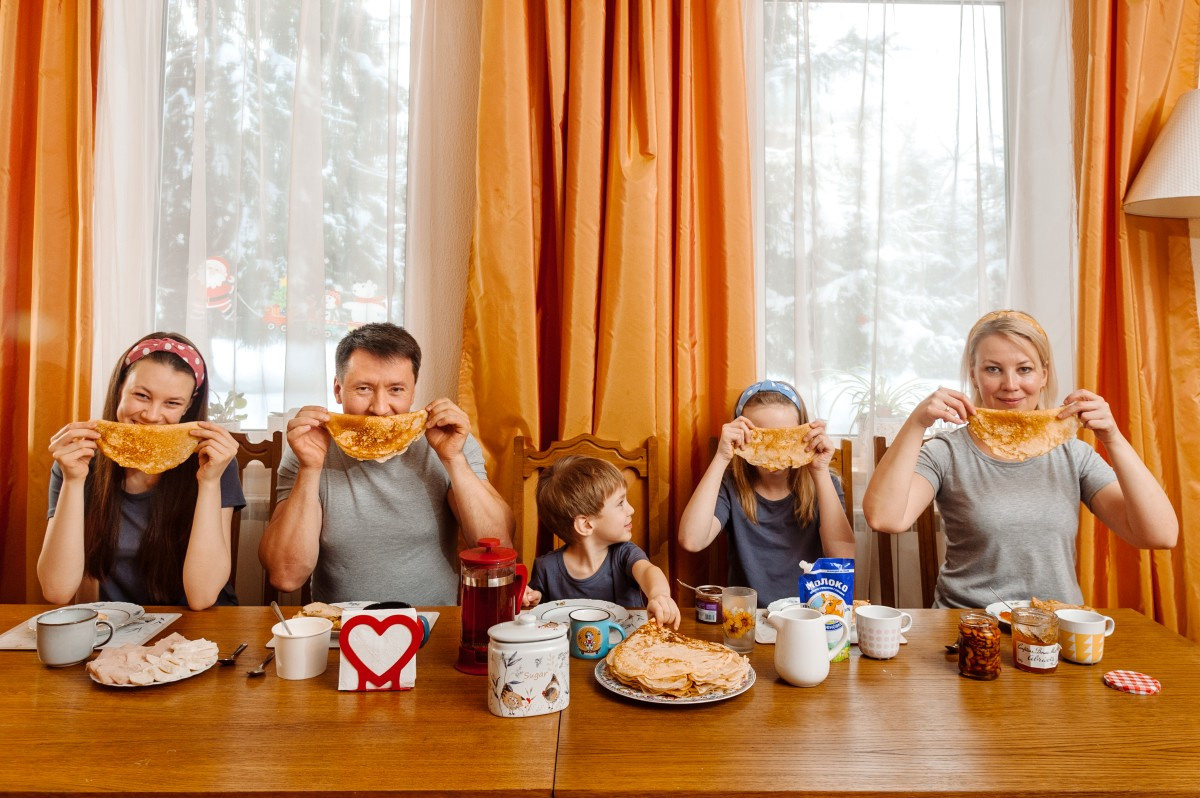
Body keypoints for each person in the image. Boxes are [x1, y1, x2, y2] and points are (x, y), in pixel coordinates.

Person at [862, 310, 1178, 609]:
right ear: (974, 375)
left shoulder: (1073, 453)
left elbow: (1160, 535)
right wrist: (917, 422)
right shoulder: (946, 451)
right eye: (993, 369)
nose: (1010, 384)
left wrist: (1113, 437)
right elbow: (885, 518)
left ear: (1044, 375)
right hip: (968, 627)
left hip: (1055, 629)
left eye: (1024, 369)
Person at [259, 323, 513, 604]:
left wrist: (453, 459)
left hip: (433, 627)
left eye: (396, 389)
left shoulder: (449, 442)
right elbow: (285, 576)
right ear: (338, 389)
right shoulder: (308, 446)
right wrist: (310, 468)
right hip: (340, 630)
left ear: (413, 392)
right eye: (364, 388)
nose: (380, 408)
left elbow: (498, 546)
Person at [39, 333, 244, 610]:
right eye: (141, 395)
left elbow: (202, 597)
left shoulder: (212, 461)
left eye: (172, 403)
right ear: (120, 388)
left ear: (188, 407)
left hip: (199, 628)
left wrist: (208, 483)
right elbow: (56, 590)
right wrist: (74, 481)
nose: (151, 415)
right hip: (114, 629)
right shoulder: (79, 459)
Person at [677, 380, 856, 607]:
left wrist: (819, 472)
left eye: (784, 436)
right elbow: (692, 540)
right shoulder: (731, 485)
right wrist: (722, 458)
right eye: (762, 436)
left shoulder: (823, 482)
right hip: (747, 617)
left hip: (810, 613)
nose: (774, 449)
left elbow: (842, 557)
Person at [522, 456, 681, 629]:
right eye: (620, 503)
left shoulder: (624, 554)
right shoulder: (546, 567)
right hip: (569, 655)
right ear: (586, 524)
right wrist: (530, 599)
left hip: (626, 649)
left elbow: (648, 571)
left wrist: (659, 595)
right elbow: (534, 613)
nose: (631, 509)